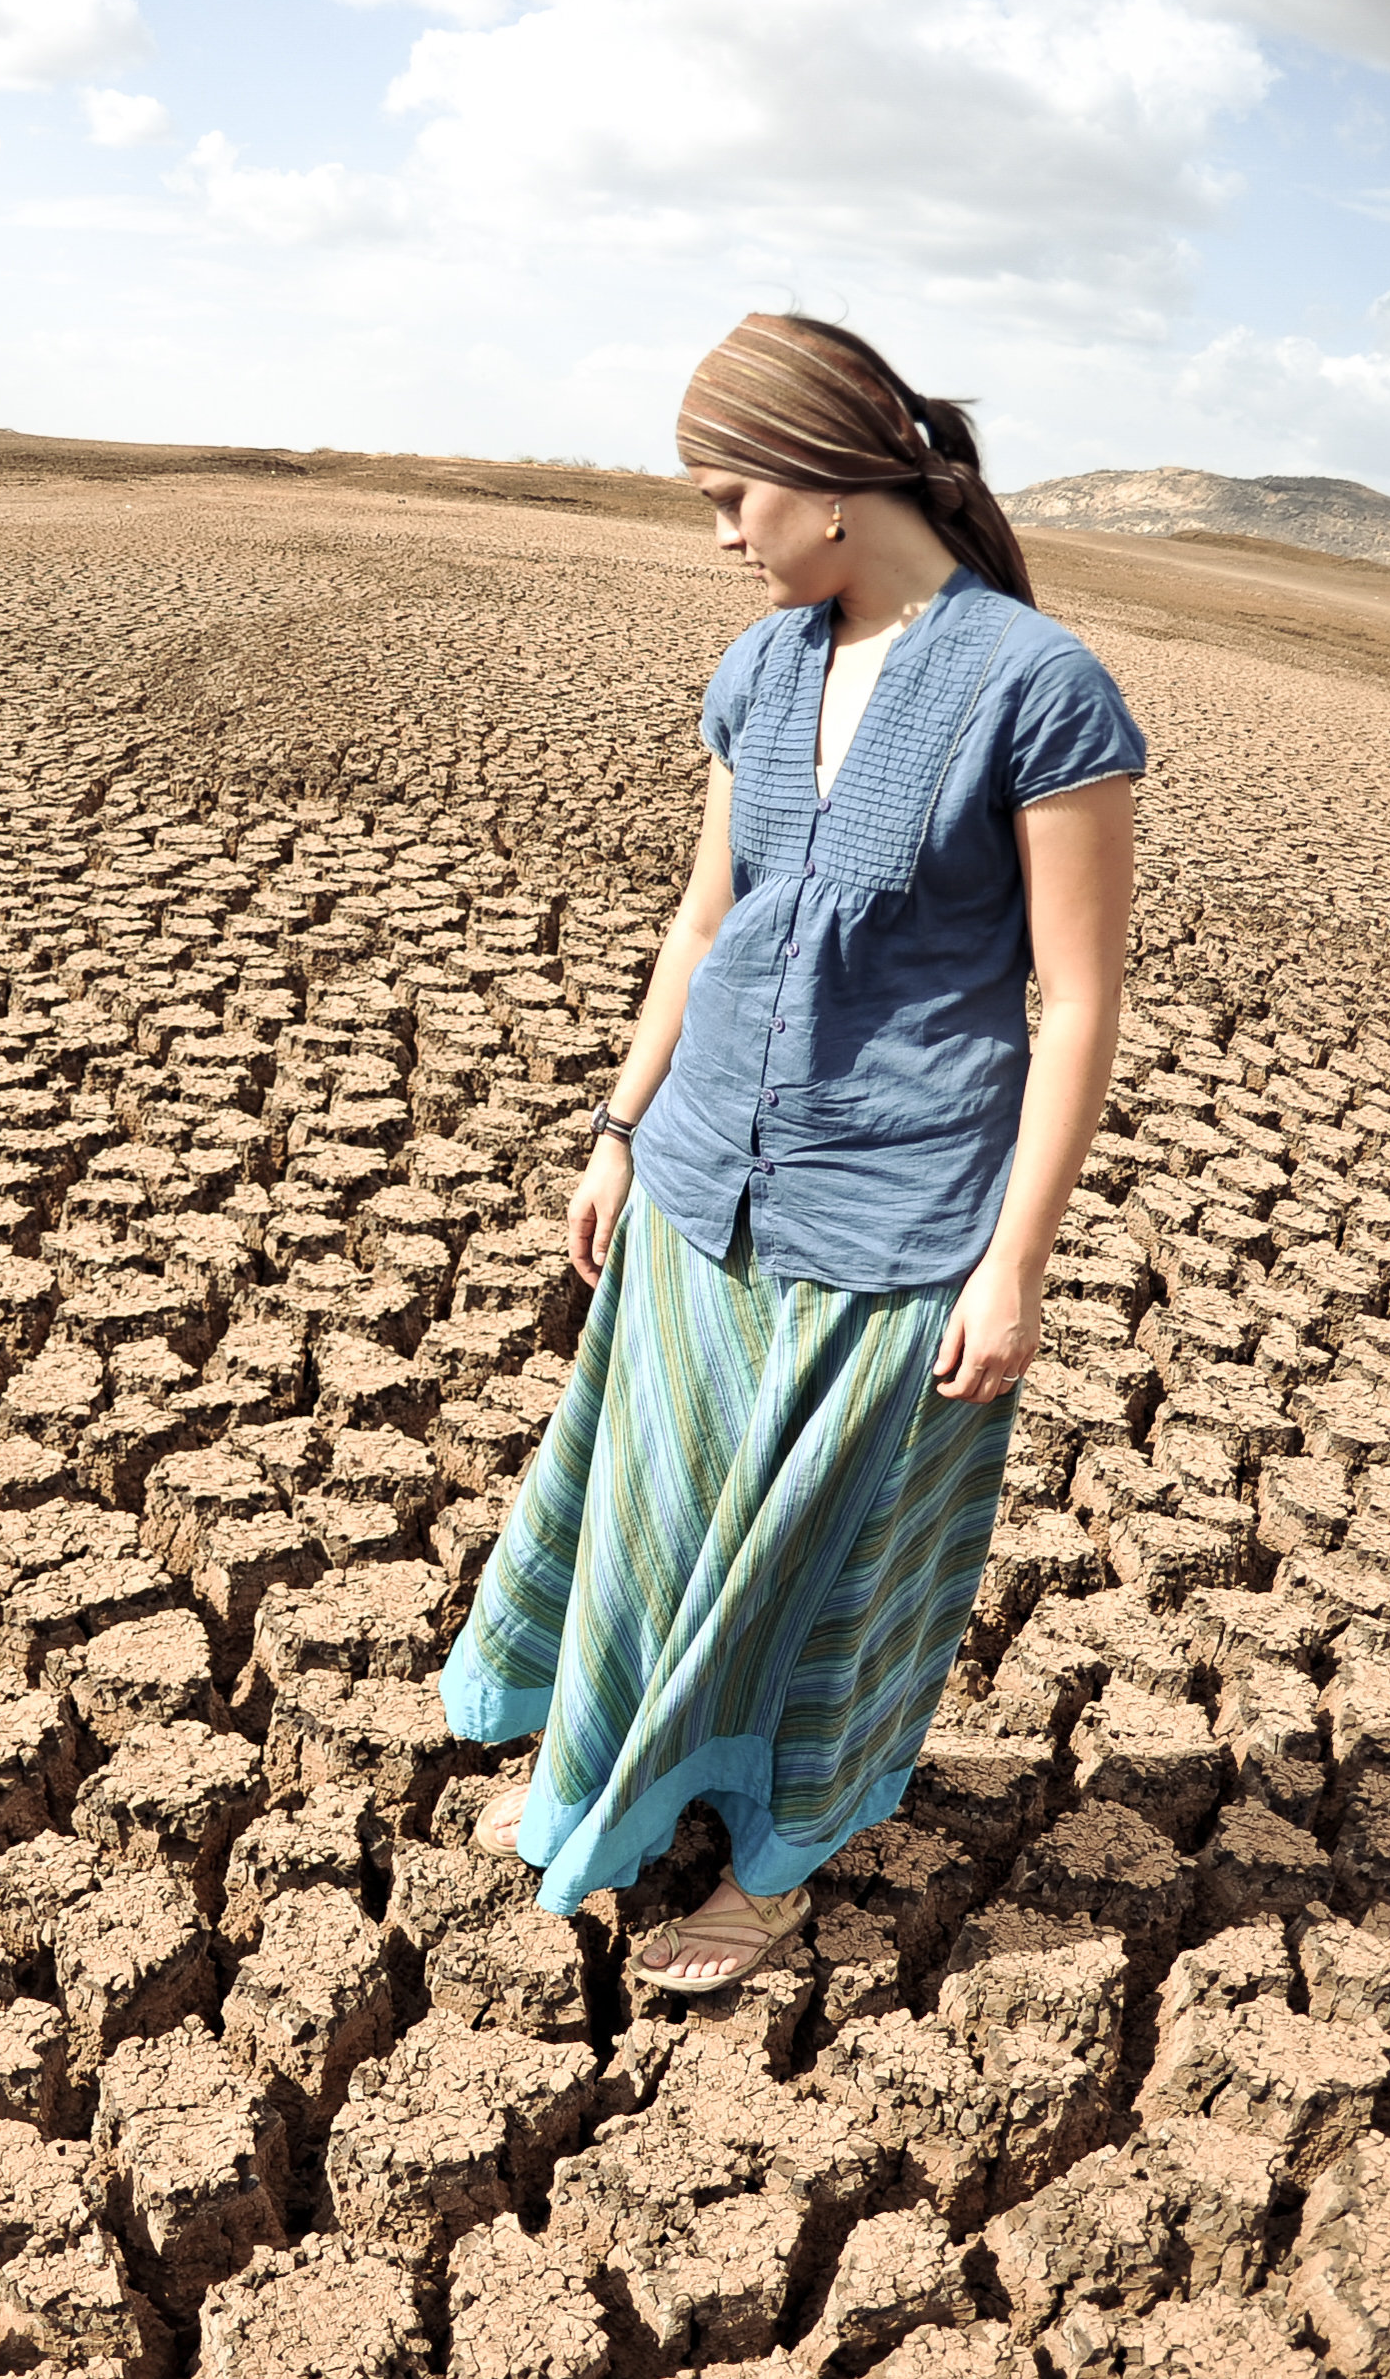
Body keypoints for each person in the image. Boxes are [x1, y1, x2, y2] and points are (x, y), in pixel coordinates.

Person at [437, 312, 1144, 1992]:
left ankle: (770, 1867)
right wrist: (616, 1130)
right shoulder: (759, 668)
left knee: (823, 1560)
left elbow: (1079, 1001)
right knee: (650, 1507)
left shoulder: (1038, 691)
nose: (716, 534)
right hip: (699, 1173)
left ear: (830, 485)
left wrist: (1016, 1263)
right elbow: (705, 920)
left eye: (726, 494)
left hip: (897, 1206)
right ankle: (598, 1770)